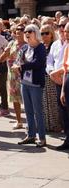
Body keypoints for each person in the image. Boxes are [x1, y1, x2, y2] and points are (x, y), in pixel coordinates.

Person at [12, 24, 47, 147]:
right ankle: (31, 135)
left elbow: (37, 63)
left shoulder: (40, 47)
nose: (26, 33)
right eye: (25, 31)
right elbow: (18, 60)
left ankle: (42, 138)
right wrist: (16, 66)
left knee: (38, 112)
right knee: (28, 111)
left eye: (30, 31)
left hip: (36, 84)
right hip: (24, 83)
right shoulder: (25, 47)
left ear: (35, 32)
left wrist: (21, 67)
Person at [0, 24, 26, 129]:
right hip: (12, 76)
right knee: (15, 99)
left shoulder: (28, 45)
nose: (18, 31)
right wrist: (5, 53)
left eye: (22, 29)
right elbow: (1, 59)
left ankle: (32, 122)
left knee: (28, 100)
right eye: (16, 30)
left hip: (24, 76)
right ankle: (19, 121)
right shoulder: (11, 44)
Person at [40, 24, 61, 132]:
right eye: (42, 33)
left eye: (46, 33)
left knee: (53, 101)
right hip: (43, 76)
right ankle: (47, 125)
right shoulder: (41, 46)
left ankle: (57, 125)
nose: (44, 36)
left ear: (52, 34)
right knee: (45, 101)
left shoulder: (55, 45)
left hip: (53, 76)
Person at [54, 22, 69, 150]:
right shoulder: (67, 47)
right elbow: (65, 68)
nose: (66, 34)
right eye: (65, 32)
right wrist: (63, 90)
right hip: (67, 80)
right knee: (65, 113)